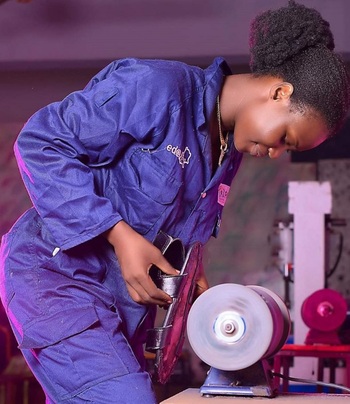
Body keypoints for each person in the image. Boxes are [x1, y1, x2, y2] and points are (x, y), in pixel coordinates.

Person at [0, 1, 349, 403]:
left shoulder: (226, 154)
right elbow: (41, 143)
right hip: (54, 277)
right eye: (286, 138)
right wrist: (118, 235)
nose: (275, 153)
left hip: (118, 307)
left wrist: (191, 276)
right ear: (279, 92)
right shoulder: (156, 87)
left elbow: (181, 231)